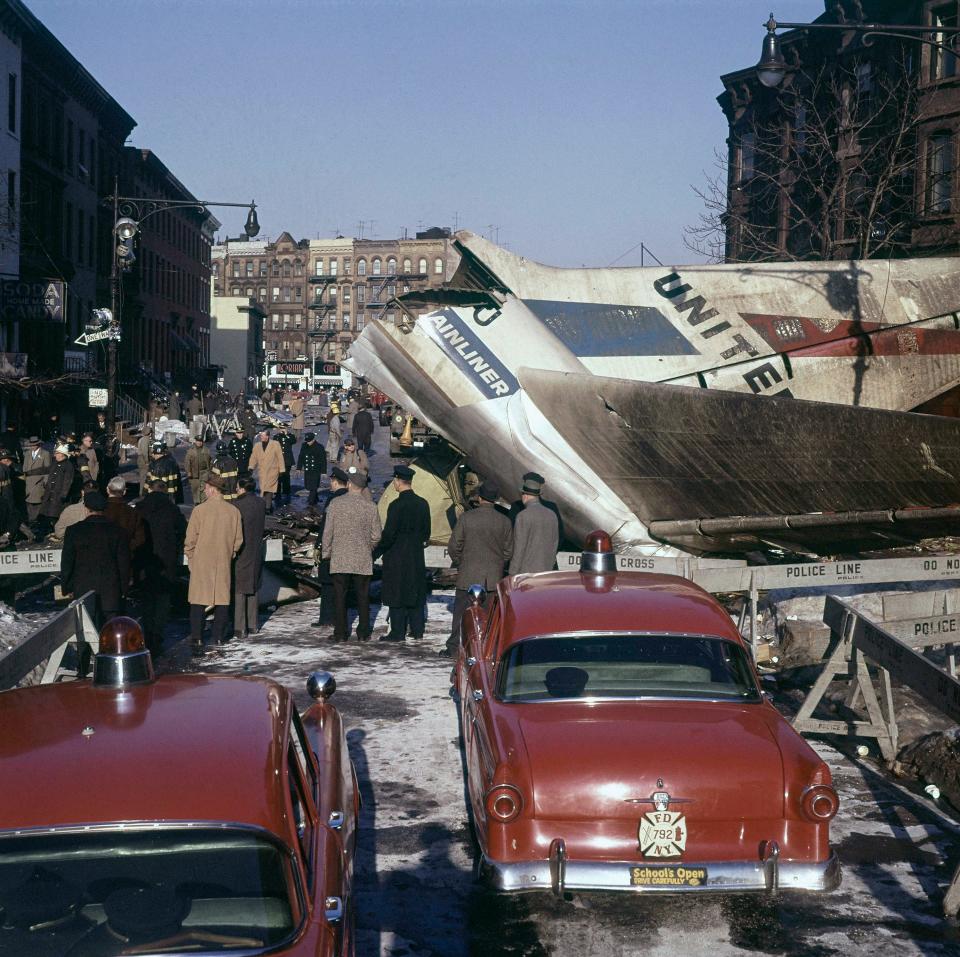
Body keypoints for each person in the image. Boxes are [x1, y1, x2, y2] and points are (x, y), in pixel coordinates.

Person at [442, 480, 513, 656]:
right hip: (492, 577)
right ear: (495, 500)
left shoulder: (466, 518)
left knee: (460, 615)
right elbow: (508, 551)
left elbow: (454, 546)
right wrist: (496, 564)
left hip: (468, 574)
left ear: (480, 498)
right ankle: (487, 651)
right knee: (489, 618)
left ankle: (454, 649)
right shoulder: (504, 521)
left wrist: (462, 562)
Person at [184, 473, 243, 654]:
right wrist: (230, 553)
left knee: (198, 600)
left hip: (202, 560)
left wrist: (191, 557)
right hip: (223, 560)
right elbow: (238, 540)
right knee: (222, 600)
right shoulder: (233, 511)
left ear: (211, 488)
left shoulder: (199, 511)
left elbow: (190, 540)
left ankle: (197, 637)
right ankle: (218, 636)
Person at [321, 470, 381, 642]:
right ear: (363, 488)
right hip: (362, 558)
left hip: (339, 557)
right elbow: (377, 535)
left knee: (340, 596)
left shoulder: (335, 504)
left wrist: (327, 553)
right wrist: (368, 547)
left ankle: (340, 633)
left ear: (348, 484)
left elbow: (328, 532)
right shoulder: (371, 507)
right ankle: (363, 632)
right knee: (363, 596)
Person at [374, 465, 431, 641]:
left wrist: (376, 552)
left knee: (396, 591)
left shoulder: (396, 505)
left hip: (397, 555)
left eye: (395, 481)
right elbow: (426, 533)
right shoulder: (423, 503)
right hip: (415, 555)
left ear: (398, 481)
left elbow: (389, 534)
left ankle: (397, 632)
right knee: (415, 590)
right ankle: (417, 629)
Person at [61, 490, 131, 628]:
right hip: (111, 589)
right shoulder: (118, 531)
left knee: (85, 630)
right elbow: (123, 564)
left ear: (86, 508)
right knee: (110, 632)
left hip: (83, 588)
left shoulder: (74, 531)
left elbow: (67, 562)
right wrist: (124, 589)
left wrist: (67, 586)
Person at [137, 478, 186, 654]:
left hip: (145, 559)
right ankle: (157, 634)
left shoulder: (140, 508)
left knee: (147, 598)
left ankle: (148, 633)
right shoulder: (172, 509)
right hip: (167, 560)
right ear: (165, 491)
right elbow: (182, 530)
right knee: (163, 599)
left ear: (150, 489)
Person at [311, 467, 348, 630]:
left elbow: (325, 526)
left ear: (335, 482)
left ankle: (326, 617)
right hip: (344, 547)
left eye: (331, 481)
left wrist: (319, 546)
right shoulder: (348, 498)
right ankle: (335, 616)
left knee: (327, 583)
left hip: (330, 547)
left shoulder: (333, 500)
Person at [231, 476, 267, 639]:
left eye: (238, 487)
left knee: (240, 588)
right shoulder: (261, 503)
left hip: (242, 549)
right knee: (253, 585)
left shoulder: (236, 506)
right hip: (257, 548)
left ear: (243, 488)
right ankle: (253, 625)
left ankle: (240, 627)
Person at [509, 475, 560, 575]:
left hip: (526, 573)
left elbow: (519, 548)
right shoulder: (552, 514)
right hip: (546, 571)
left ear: (525, 496)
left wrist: (512, 573)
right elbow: (555, 544)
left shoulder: (522, 516)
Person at [103, 476, 147, 583]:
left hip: (103, 558)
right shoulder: (132, 512)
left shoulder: (101, 510)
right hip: (126, 559)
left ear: (108, 490)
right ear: (124, 492)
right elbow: (140, 539)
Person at [508, 471, 563, 542]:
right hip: (546, 551)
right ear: (539, 487)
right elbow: (559, 534)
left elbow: (511, 533)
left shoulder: (516, 506)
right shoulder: (551, 507)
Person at [38, 444, 75, 535]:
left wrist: (63, 494)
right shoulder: (54, 463)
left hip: (58, 494)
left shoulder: (68, 465)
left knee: (56, 513)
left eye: (57, 453)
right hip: (50, 493)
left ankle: (58, 531)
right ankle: (49, 530)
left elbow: (67, 481)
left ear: (63, 454)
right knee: (47, 512)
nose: (55, 455)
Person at [248, 427, 286, 513]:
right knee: (263, 488)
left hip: (272, 471)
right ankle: (265, 505)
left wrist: (282, 469)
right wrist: (251, 467)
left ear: (267, 436)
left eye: (263, 436)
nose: (261, 437)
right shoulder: (257, 445)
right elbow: (253, 457)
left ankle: (267, 507)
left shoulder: (275, 444)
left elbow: (280, 457)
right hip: (262, 471)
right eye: (261, 436)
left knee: (269, 489)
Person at [22, 436, 49, 524]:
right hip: (29, 483)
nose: (33, 446)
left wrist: (45, 483)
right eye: (31, 445)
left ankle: (36, 522)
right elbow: (24, 469)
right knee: (29, 503)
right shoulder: (27, 454)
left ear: (38, 444)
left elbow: (47, 471)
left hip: (39, 483)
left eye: (34, 444)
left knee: (38, 503)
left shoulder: (45, 454)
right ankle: (31, 521)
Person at [296, 432, 327, 507]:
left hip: (316, 469)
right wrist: (299, 468)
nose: (308, 442)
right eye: (307, 441)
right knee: (308, 486)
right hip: (307, 469)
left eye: (309, 441)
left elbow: (323, 460)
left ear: (313, 439)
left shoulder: (319, 447)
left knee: (313, 486)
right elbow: (301, 457)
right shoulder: (304, 445)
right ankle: (315, 498)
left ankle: (311, 502)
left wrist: (323, 472)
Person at [184, 435, 212, 505]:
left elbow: (210, 461)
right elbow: (187, 463)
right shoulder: (191, 451)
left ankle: (203, 502)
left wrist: (210, 471)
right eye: (198, 441)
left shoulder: (206, 450)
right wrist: (189, 472)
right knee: (195, 488)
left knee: (203, 488)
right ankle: (196, 502)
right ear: (195, 441)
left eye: (200, 441)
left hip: (204, 471)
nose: (199, 443)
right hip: (194, 472)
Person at [274, 423, 296, 505]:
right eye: (281, 428)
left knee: (286, 476)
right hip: (278, 460)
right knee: (278, 477)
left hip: (287, 460)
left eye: (284, 428)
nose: (282, 429)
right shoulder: (276, 437)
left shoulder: (290, 436)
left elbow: (293, 441)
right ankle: (277, 492)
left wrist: (286, 434)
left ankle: (286, 492)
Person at [136, 426, 154, 494]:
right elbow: (144, 451)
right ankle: (142, 493)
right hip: (143, 460)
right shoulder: (146, 440)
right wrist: (147, 461)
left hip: (142, 459)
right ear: (149, 433)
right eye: (151, 432)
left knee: (144, 477)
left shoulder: (143, 439)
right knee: (144, 478)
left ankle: (144, 492)